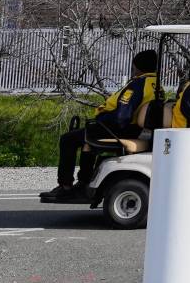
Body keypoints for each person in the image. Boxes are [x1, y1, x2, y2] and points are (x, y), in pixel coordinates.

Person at [53, 48, 160, 194]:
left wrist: (102, 119)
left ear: (137, 67)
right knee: (86, 139)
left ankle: (65, 185)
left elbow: (122, 116)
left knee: (68, 139)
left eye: (134, 67)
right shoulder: (156, 84)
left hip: (122, 128)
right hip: (139, 130)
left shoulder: (137, 85)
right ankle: (84, 181)